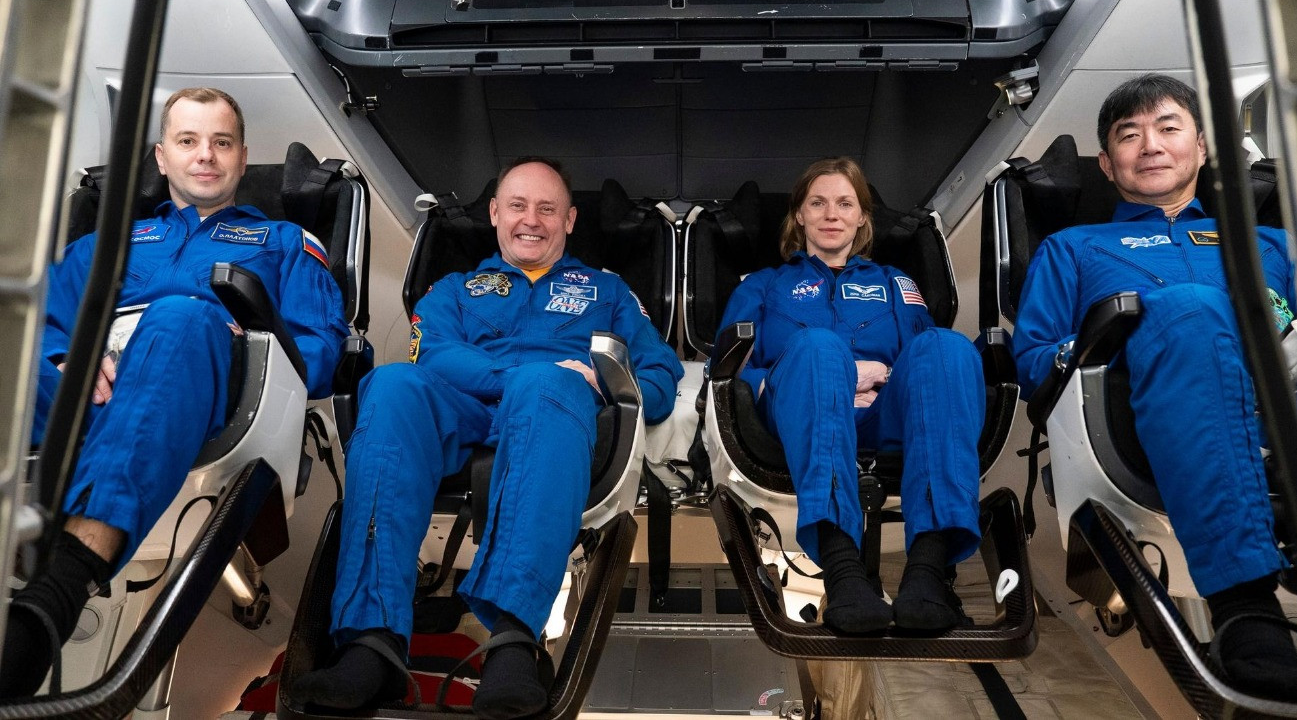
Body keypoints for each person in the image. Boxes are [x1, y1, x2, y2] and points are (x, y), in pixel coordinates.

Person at [290, 158, 683, 717]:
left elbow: (661, 375)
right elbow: (433, 353)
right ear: (496, 213)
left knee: (546, 385)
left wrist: (602, 381)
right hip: (465, 407)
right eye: (518, 206)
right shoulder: (454, 289)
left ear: (570, 220)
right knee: (393, 384)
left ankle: (514, 644)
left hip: (556, 413)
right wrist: (513, 376)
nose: (532, 220)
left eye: (547, 209)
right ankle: (370, 644)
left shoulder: (609, 292)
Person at [0, 87, 350, 697]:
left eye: (221, 142)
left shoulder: (285, 243)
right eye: (188, 141)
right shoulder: (103, 244)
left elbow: (317, 351)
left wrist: (234, 338)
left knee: (182, 316)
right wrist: (64, 359)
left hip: (213, 402)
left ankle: (61, 588)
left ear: (242, 158)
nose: (205, 155)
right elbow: (35, 321)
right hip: (87, 398)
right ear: (162, 157)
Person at [1013, 73, 1297, 700]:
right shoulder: (1072, 248)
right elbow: (1034, 362)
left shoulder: (1273, 244)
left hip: (1281, 395)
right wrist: (1120, 334)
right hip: (1144, 417)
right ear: (1106, 164)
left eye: (1169, 128)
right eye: (1129, 135)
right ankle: (1247, 611)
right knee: (1188, 309)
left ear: (1201, 148)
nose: (1150, 145)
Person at [715, 157, 985, 635]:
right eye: (817, 203)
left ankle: (927, 571)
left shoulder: (895, 283)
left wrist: (880, 378)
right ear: (799, 215)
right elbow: (727, 371)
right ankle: (843, 573)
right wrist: (831, 378)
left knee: (948, 347)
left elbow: (925, 363)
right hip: (796, 412)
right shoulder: (763, 285)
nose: (831, 214)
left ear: (862, 217)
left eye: (845, 204)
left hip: (881, 413)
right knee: (819, 348)